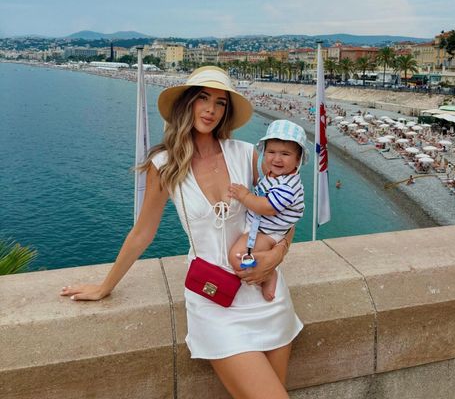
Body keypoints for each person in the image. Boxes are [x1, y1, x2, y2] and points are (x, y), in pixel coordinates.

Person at [59, 66, 302, 399]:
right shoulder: (164, 164)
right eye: (203, 98)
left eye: (220, 102)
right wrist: (105, 286)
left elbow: (284, 213)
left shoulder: (247, 154)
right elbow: (143, 232)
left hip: (267, 298)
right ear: (186, 103)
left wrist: (277, 255)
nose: (210, 110)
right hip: (215, 300)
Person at [228, 120, 308, 302]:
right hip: (263, 227)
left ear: (298, 160)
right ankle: (266, 270)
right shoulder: (277, 175)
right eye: (271, 152)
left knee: (237, 257)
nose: (277, 159)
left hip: (269, 232)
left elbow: (269, 208)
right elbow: (265, 172)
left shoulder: (288, 186)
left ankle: (268, 273)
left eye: (285, 154)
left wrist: (244, 196)